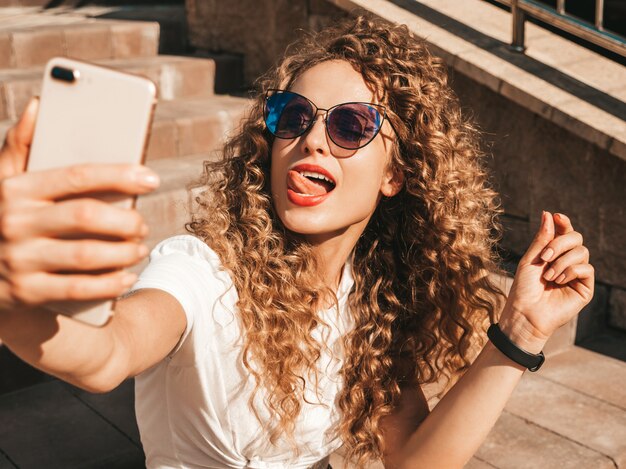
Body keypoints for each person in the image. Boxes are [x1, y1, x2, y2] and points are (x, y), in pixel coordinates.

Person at [0, 15, 594, 469]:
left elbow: (413, 458)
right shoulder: (200, 272)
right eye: (294, 115)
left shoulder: (368, 302)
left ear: (396, 175)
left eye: (349, 125)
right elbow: (105, 353)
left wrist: (519, 333)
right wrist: (12, 303)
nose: (312, 139)